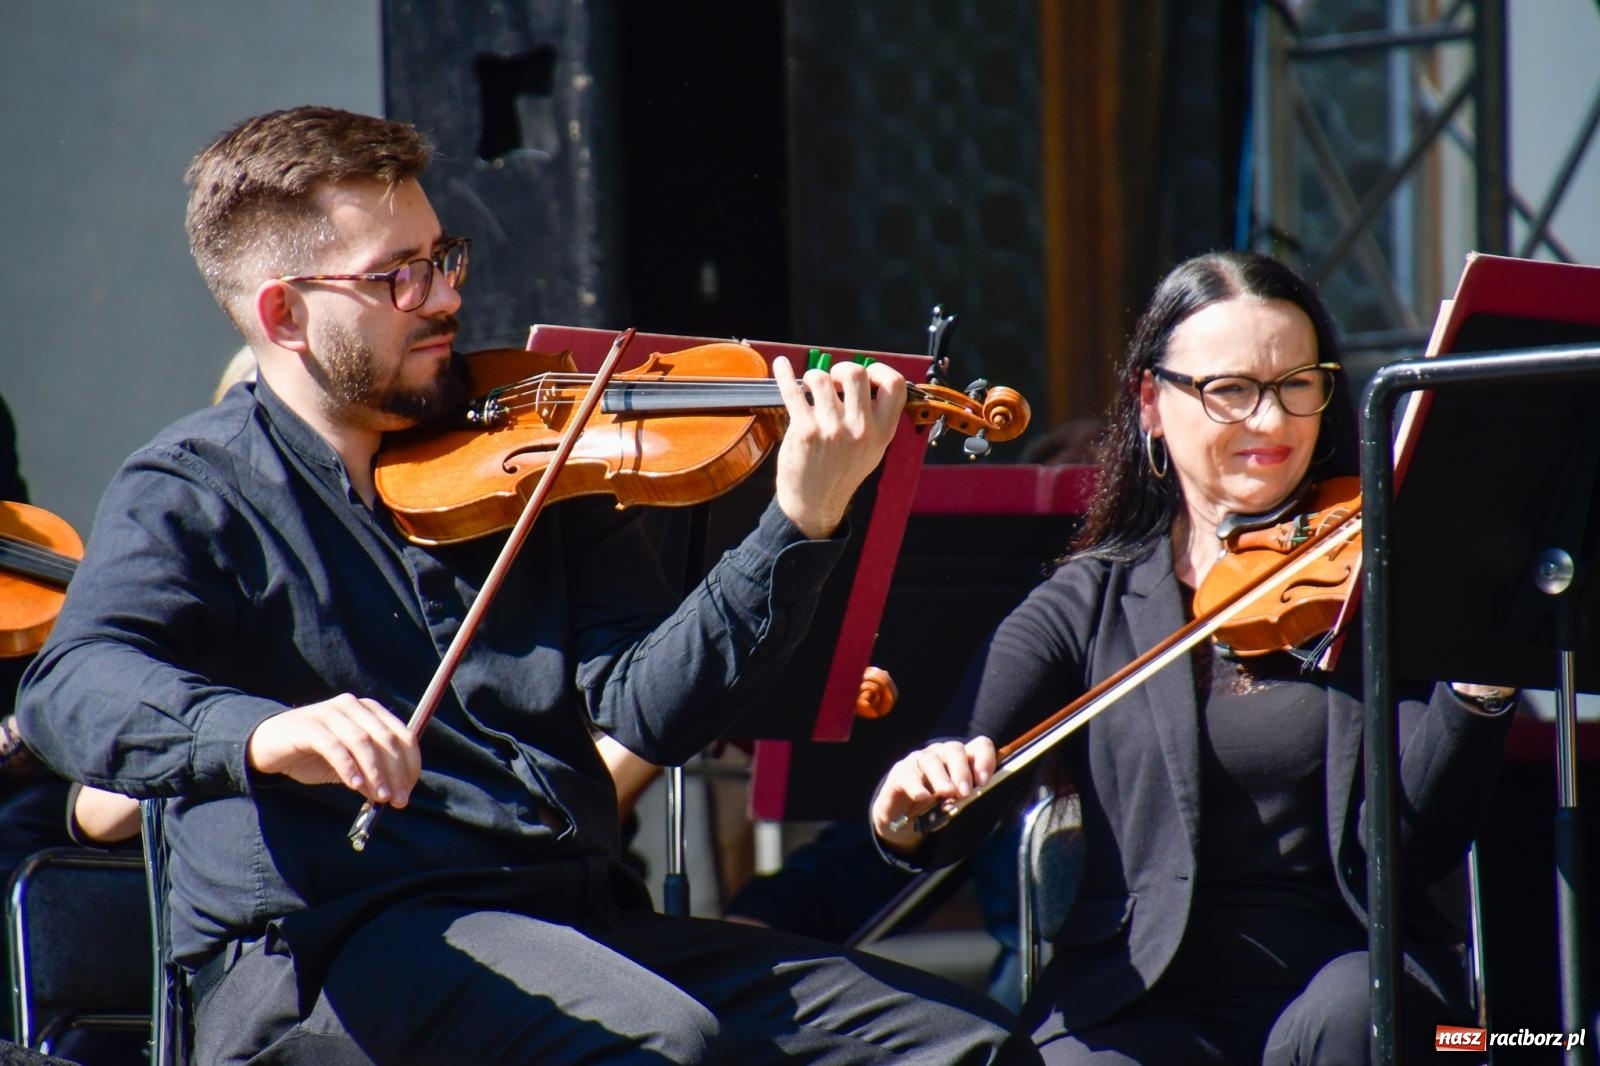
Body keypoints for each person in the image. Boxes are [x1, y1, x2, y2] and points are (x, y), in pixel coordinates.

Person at [16, 106, 1037, 1065]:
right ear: (283, 314)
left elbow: (643, 702)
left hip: (573, 914)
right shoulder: (193, 487)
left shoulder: (529, 455)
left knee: (961, 1044)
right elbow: (75, 689)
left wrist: (800, 521)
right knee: (656, 1045)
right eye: (397, 278)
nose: (447, 295)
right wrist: (258, 732)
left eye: (442, 258)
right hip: (332, 954)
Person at [869, 250, 1518, 1064]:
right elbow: (958, 765)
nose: (1272, 422)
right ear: (1151, 402)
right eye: (1230, 391)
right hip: (1137, 996)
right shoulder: (1089, 602)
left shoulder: (1386, 573)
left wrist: (1479, 681)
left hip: (1355, 977)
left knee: (1359, 1019)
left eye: (1296, 385)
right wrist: (912, 795)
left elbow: (1420, 846)